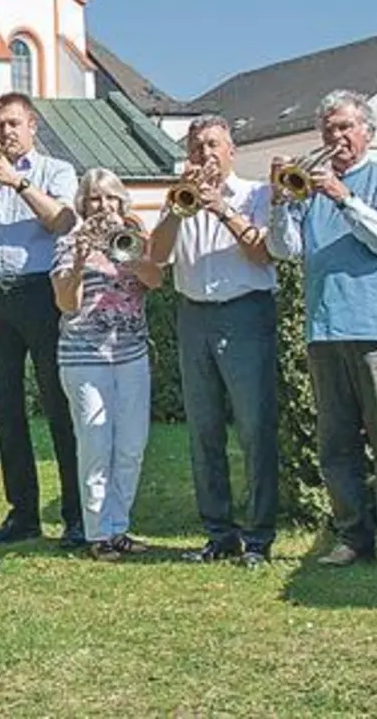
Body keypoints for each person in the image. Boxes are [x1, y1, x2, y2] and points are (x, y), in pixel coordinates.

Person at [268, 89, 377, 570]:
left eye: (345, 127)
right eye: (328, 129)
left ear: (367, 133)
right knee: (336, 447)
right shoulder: (308, 189)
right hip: (326, 329)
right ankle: (352, 536)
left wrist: (344, 197)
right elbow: (284, 250)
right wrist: (279, 202)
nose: (335, 137)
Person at [0, 92, 83, 546]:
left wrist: (18, 183)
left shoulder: (55, 170)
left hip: (41, 291)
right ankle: (22, 514)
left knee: (58, 405)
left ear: (32, 126)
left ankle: (76, 515)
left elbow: (63, 221)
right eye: (0, 124)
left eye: (14, 123)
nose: (6, 132)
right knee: (6, 409)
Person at [146, 115, 280, 567]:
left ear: (231, 151)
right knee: (203, 430)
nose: (205, 154)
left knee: (254, 429)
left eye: (213, 145)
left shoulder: (256, 195)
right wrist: (176, 207)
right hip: (193, 315)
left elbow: (263, 254)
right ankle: (219, 533)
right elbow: (157, 256)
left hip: (245, 313)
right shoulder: (178, 198)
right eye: (197, 147)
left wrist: (221, 207)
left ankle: (258, 537)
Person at [51, 169, 163, 561]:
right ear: (84, 205)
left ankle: (119, 527)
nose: (103, 205)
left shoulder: (135, 237)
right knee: (96, 445)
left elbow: (155, 280)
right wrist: (81, 261)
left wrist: (129, 251)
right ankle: (97, 533)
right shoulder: (69, 243)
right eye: (95, 198)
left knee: (132, 446)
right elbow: (66, 303)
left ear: (121, 201)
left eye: (110, 197)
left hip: (130, 354)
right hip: (84, 356)